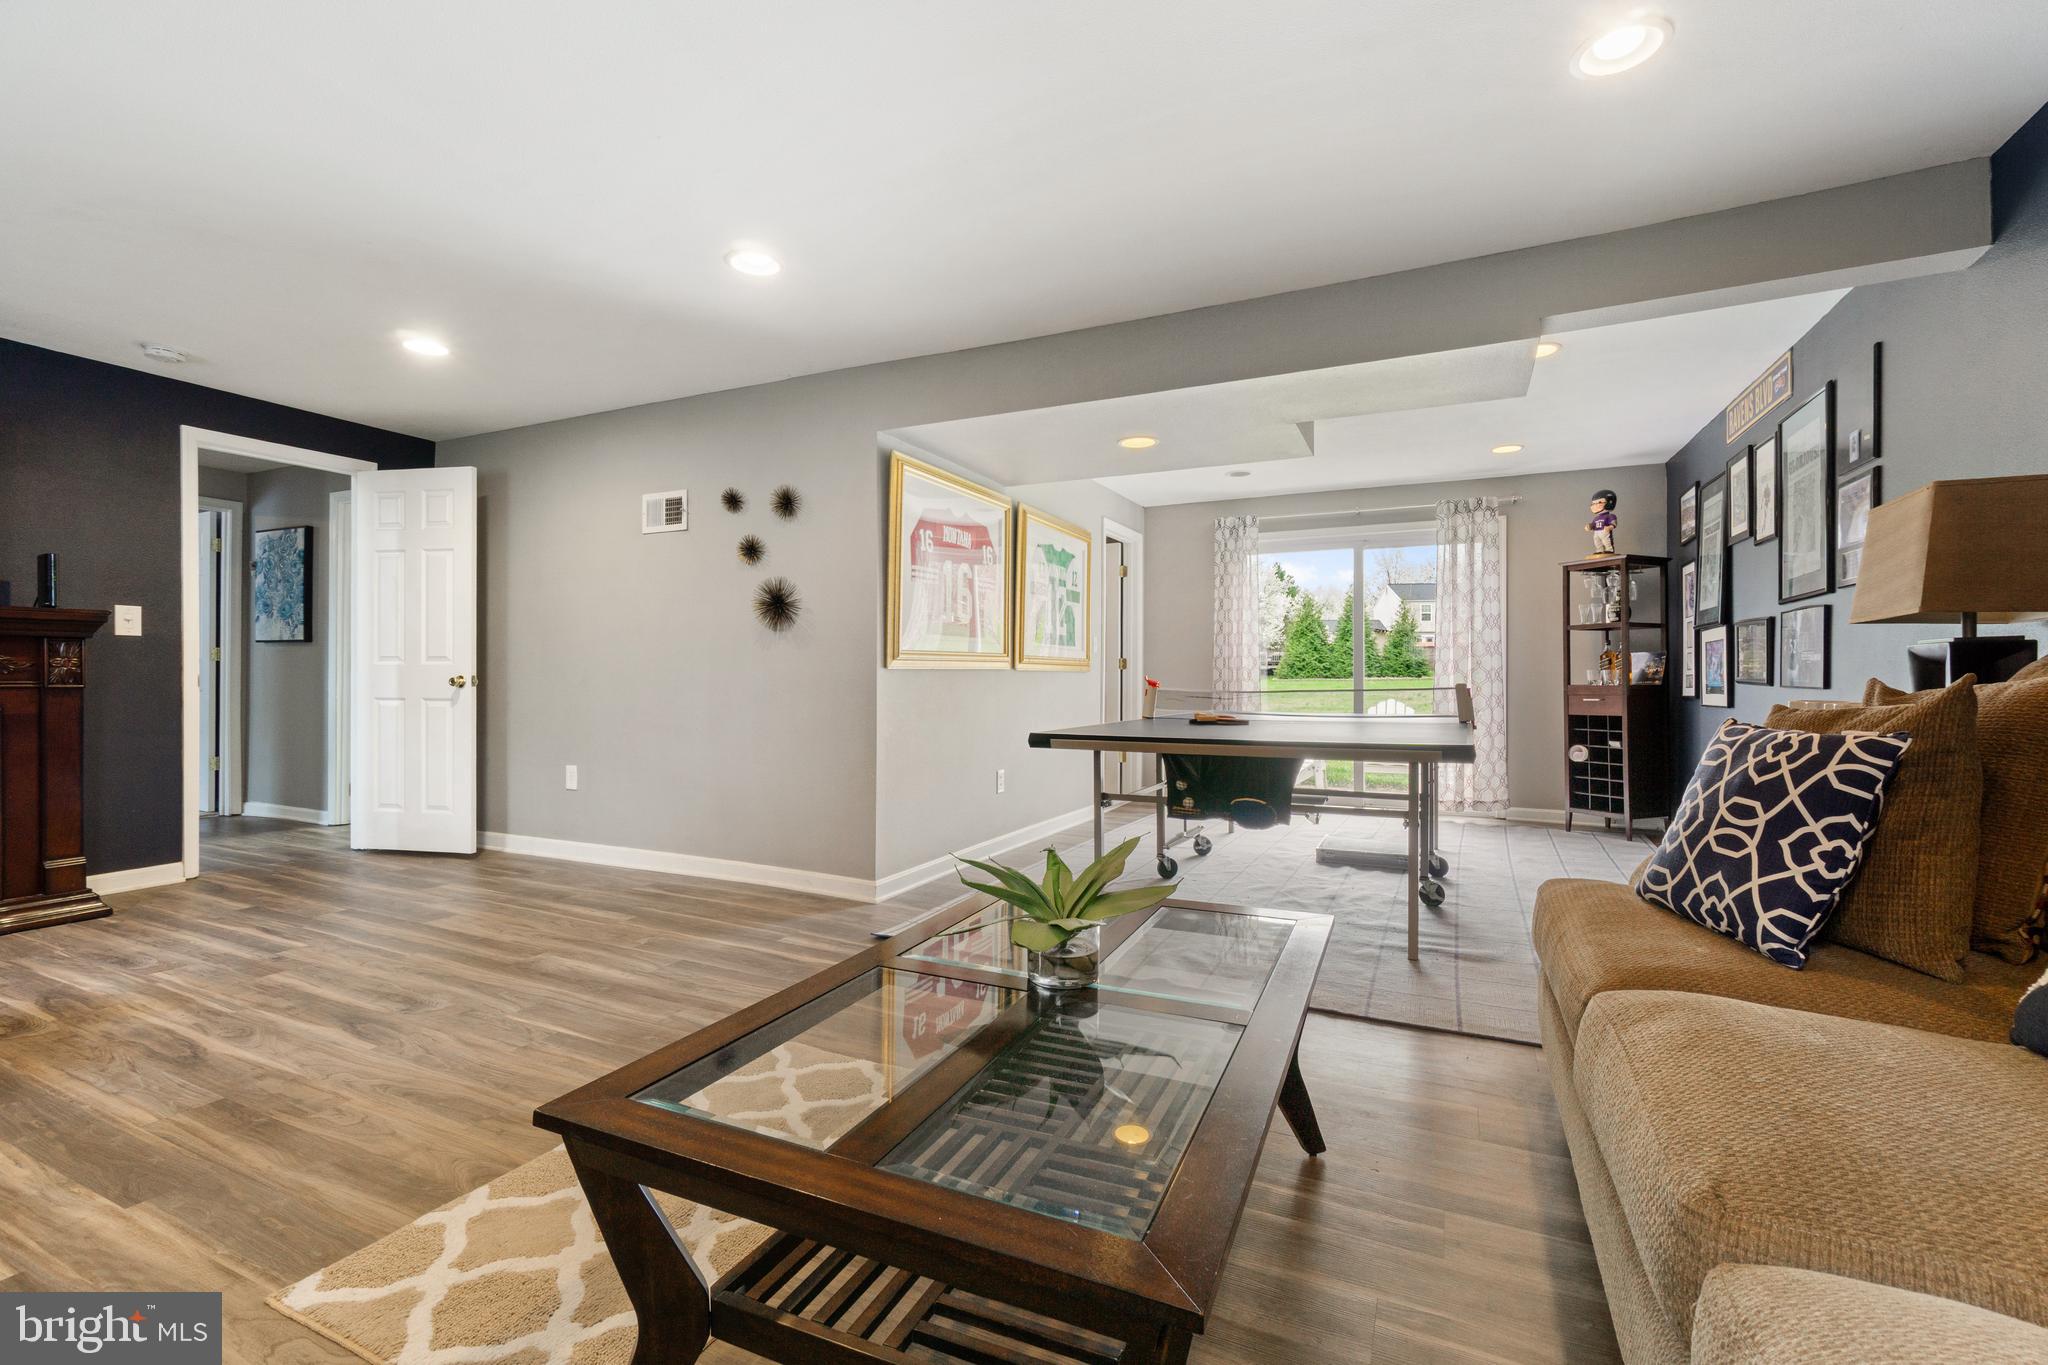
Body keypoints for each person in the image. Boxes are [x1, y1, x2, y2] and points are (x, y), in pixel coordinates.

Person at [1586, 489, 1618, 555]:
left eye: (1599, 502)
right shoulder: (1596, 518)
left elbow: (1613, 522)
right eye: (1593, 503)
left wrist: (1610, 527)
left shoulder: (1610, 515)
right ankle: (1599, 550)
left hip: (1604, 530)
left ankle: (1609, 550)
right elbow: (1593, 524)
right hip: (1597, 531)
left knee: (1606, 541)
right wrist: (1590, 526)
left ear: (1609, 503)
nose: (1595, 505)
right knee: (1597, 541)